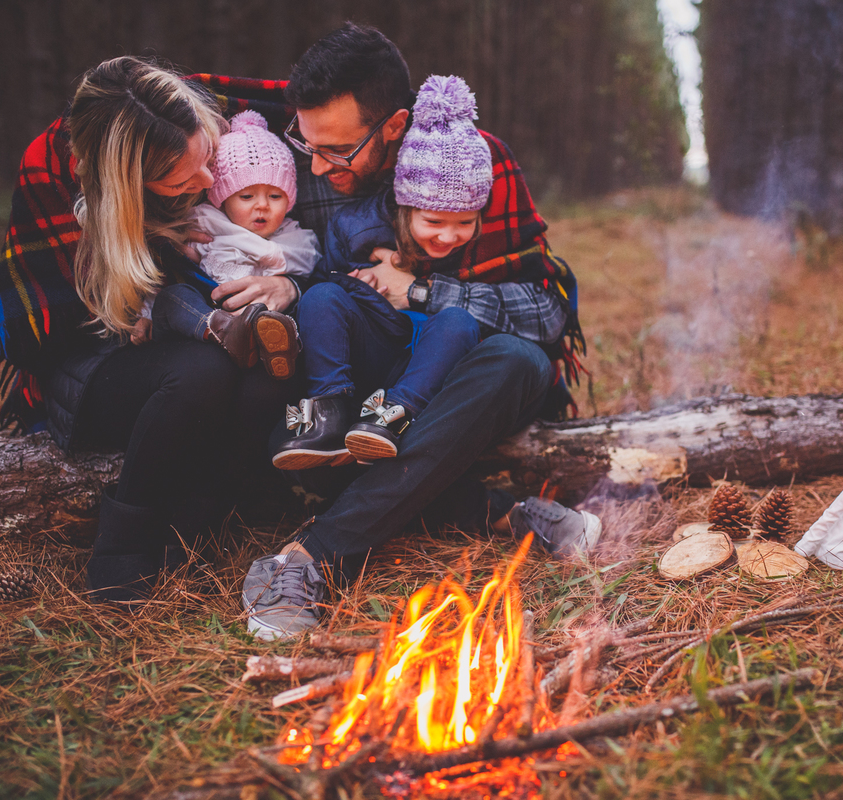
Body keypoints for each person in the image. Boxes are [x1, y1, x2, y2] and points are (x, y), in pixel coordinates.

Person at [241, 23, 599, 641]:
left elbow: (546, 313)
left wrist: (423, 292)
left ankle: (309, 557)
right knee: (298, 430)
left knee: (515, 360)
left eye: (338, 151)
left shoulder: (474, 160)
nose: (318, 166)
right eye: (308, 144)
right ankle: (497, 512)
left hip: (462, 386)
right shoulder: (298, 165)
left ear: (394, 126)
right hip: (359, 396)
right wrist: (292, 287)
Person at [0, 57, 304, 601]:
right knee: (201, 370)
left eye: (207, 156)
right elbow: (43, 332)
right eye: (182, 179)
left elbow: (325, 105)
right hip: (97, 351)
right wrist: (148, 260)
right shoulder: (54, 166)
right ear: (127, 189)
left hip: (200, 324)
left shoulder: (185, 109)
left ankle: (192, 534)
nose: (209, 182)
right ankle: (121, 549)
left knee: (266, 370)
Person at [273, 74, 494, 469]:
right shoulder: (354, 226)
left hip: (431, 358)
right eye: (433, 221)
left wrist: (419, 289)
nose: (449, 236)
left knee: (458, 320)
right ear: (405, 205)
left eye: (465, 222)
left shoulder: (481, 243)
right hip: (373, 342)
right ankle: (328, 412)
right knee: (322, 296)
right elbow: (324, 297)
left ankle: (388, 421)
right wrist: (355, 286)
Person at [145, 110, 313, 379]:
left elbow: (307, 261)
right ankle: (224, 331)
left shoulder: (294, 237)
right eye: (246, 196)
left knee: (286, 317)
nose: (262, 205)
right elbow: (165, 270)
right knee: (174, 296)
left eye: (275, 196)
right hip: (208, 312)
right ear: (222, 199)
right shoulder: (205, 223)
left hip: (264, 314)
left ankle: (272, 345)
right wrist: (144, 315)